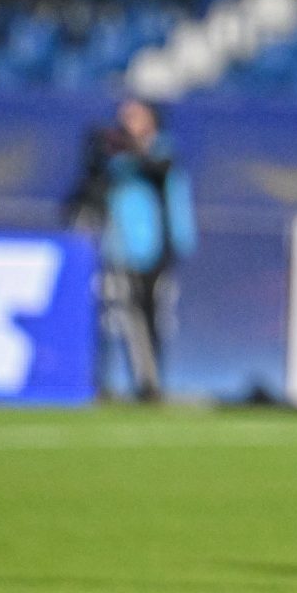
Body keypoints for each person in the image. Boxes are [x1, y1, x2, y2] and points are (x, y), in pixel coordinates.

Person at [67, 97, 197, 401]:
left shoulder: (162, 152)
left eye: (134, 117)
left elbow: (157, 170)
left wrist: (127, 146)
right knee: (115, 316)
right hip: (118, 248)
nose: (126, 123)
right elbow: (88, 185)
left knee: (146, 316)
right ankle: (105, 381)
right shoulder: (114, 160)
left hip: (152, 248)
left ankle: (148, 383)